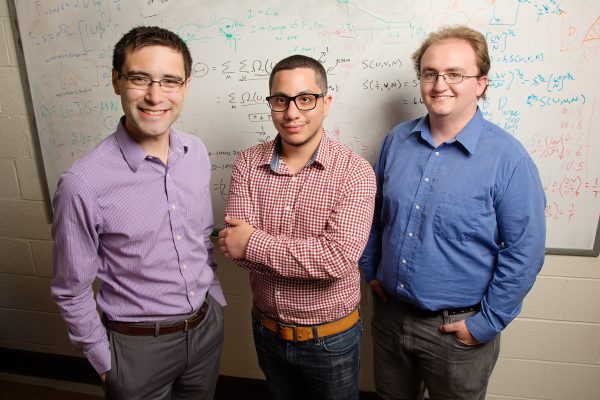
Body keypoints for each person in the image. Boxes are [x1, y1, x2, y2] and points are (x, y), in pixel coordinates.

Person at [359, 25, 546, 400]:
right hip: (391, 318)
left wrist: (485, 324)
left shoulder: (508, 160)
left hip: (458, 333)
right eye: (430, 74)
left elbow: (524, 252)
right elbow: (374, 214)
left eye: (455, 74)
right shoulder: (397, 140)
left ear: (480, 83)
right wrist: (370, 268)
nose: (439, 84)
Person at [51, 26, 225, 400]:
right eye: (139, 78)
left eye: (169, 81)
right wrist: (106, 365)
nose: (154, 95)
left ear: (186, 86)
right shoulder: (83, 183)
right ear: (116, 81)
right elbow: (71, 289)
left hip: (205, 330)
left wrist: (216, 302)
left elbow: (199, 239)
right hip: (136, 350)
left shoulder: (195, 153)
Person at [218, 54, 376, 400]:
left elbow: (335, 260)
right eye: (280, 100)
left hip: (331, 339)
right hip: (267, 330)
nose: (292, 112)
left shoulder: (355, 172)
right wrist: (299, 254)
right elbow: (234, 249)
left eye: (305, 99)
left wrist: (254, 242)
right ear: (271, 103)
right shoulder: (248, 162)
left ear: (326, 103)